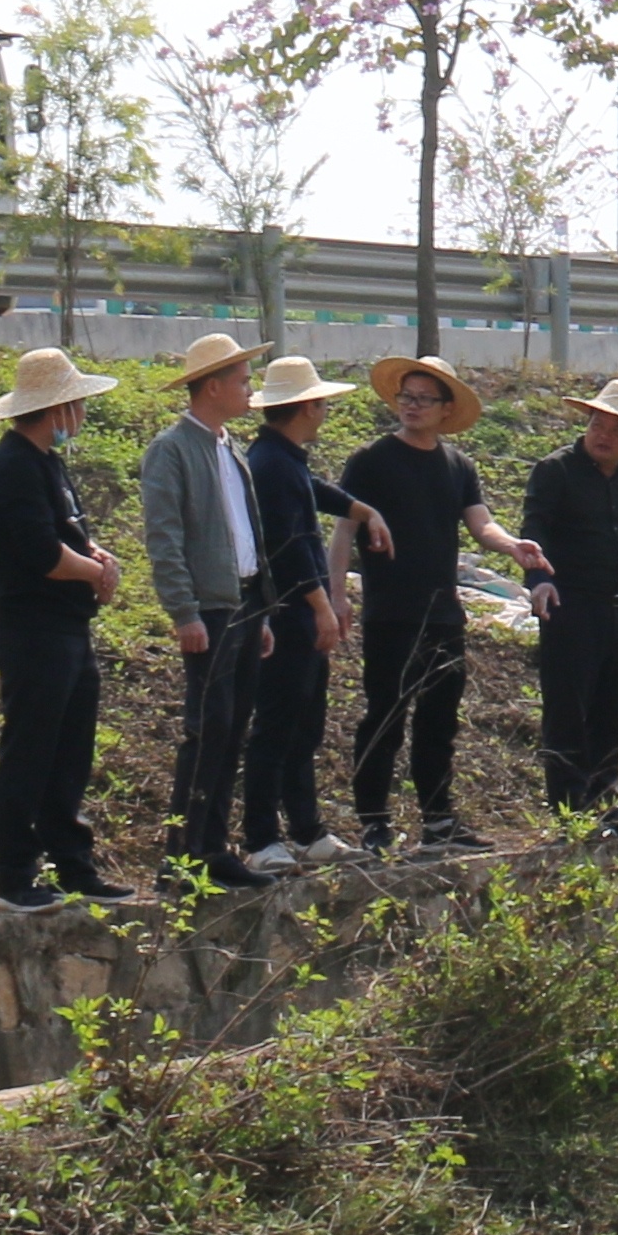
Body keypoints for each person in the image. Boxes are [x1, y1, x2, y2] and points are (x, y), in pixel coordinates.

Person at [335, 353, 550, 854]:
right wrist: (335, 593)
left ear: (444, 408)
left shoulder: (457, 466)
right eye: (405, 397)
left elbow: (481, 524)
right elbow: (343, 529)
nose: (411, 406)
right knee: (384, 714)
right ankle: (374, 821)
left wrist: (513, 545)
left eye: (423, 399)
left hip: (443, 612)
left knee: (438, 718)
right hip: (390, 609)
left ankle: (437, 818)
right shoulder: (371, 460)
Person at [0, 343, 126, 911]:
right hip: (33, 626)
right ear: (55, 410)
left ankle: (72, 864)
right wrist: (94, 573)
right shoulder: (12, 464)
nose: (80, 416)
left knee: (70, 750)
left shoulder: (47, 462)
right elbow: (43, 553)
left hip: (66, 625)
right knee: (31, 750)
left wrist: (96, 557)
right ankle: (15, 873)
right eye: (75, 405)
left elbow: (70, 533)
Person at [136, 327, 281, 891]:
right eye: (243, 381)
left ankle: (214, 848)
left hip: (242, 606)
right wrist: (184, 611)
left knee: (234, 726)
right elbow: (164, 537)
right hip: (211, 610)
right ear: (214, 386)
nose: (250, 391)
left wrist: (261, 610)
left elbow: (247, 534)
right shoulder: (171, 450)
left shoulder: (230, 450)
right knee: (207, 728)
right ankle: (182, 853)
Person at [517, 374, 618, 833]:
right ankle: (569, 811)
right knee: (567, 709)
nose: (605, 436)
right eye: (599, 424)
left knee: (609, 708)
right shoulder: (556, 471)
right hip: (568, 604)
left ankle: (607, 803)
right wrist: (538, 580)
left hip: (617, 607)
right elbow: (534, 529)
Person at [232, 356, 354, 874]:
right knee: (278, 726)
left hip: (298, 613)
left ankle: (304, 827)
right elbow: (289, 548)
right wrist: (322, 605)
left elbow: (315, 496)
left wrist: (357, 508)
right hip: (286, 614)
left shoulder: (284, 458)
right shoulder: (273, 465)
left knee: (304, 724)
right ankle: (262, 835)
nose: (325, 411)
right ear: (306, 407)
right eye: (322, 403)